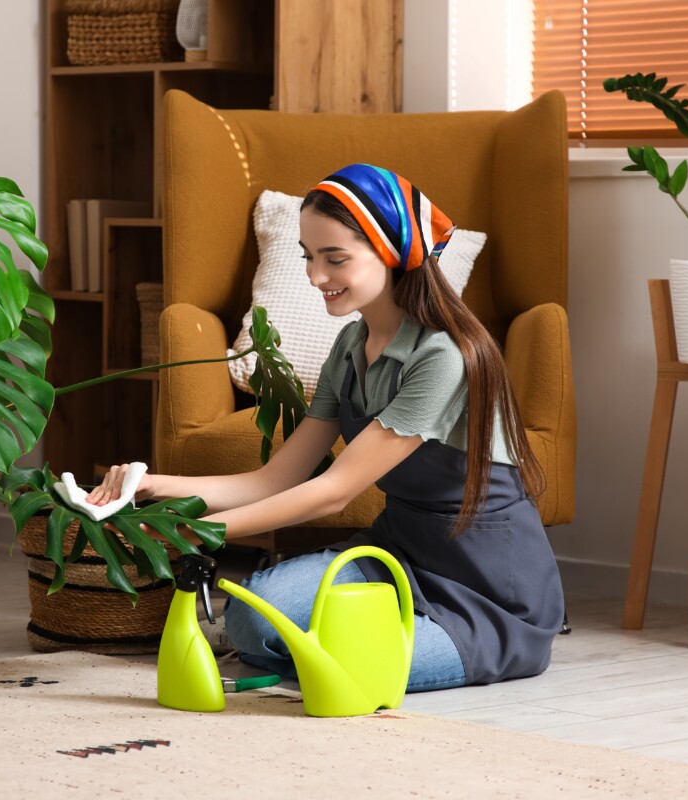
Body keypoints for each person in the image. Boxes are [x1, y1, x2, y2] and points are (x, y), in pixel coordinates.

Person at [88, 163, 565, 690]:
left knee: (350, 665)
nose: (316, 276)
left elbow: (334, 492)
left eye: (334, 258)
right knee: (249, 620)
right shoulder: (349, 348)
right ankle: (346, 638)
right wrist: (156, 486)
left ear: (391, 253)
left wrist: (193, 534)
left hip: (488, 588)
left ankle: (393, 643)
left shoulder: (443, 357)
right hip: (397, 555)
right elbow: (274, 479)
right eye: (309, 257)